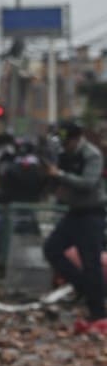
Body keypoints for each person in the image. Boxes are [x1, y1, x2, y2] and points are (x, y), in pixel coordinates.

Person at [42, 121, 107, 334]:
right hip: (74, 213)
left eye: (67, 142)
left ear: (76, 139)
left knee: (91, 263)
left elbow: (88, 182)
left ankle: (98, 311)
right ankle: (82, 286)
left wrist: (60, 175)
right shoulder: (64, 155)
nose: (65, 146)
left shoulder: (91, 155)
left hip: (92, 213)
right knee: (52, 248)